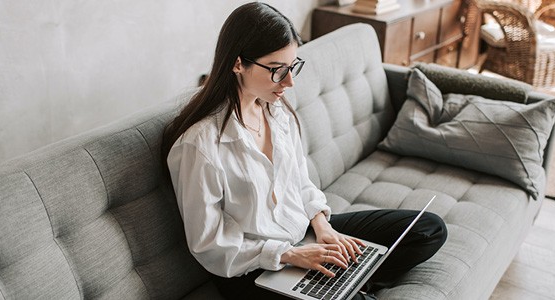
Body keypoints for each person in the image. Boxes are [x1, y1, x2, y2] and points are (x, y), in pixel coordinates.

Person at [162, 3, 447, 299]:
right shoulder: (200, 145)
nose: (289, 81)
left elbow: (300, 183)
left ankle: (348, 280)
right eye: (277, 70)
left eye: (293, 66)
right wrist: (290, 256)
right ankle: (345, 284)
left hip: (302, 237)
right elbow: (209, 244)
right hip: (253, 269)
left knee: (428, 229)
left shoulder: (276, 112)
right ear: (237, 64)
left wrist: (323, 226)